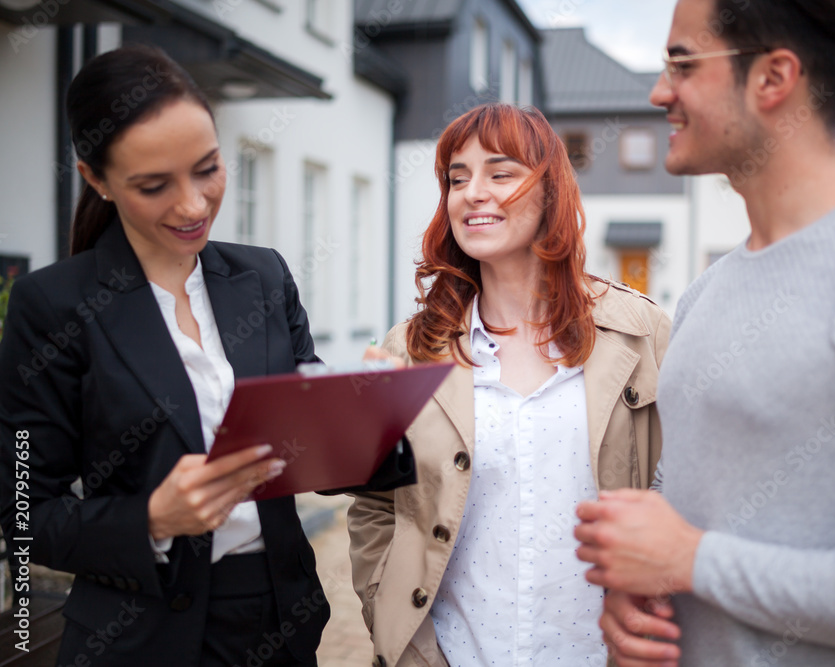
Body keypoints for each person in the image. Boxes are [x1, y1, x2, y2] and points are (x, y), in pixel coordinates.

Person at [574, 0, 835, 665]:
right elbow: (687, 516)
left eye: (682, 65)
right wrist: (639, 588)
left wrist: (694, 561)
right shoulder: (702, 297)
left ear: (773, 78)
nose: (660, 92)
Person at [0, 45, 329, 666]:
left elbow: (313, 440)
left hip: (282, 621)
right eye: (154, 185)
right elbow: (23, 513)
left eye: (207, 169)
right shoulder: (51, 305)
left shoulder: (263, 276)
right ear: (95, 178)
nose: (193, 205)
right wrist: (151, 518)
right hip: (140, 637)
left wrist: (374, 409)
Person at [346, 103, 672, 667]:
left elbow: (682, 491)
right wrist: (397, 627)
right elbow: (375, 507)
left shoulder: (641, 334)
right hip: (454, 653)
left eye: (501, 173)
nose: (474, 192)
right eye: (457, 178)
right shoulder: (407, 351)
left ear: (551, 192)